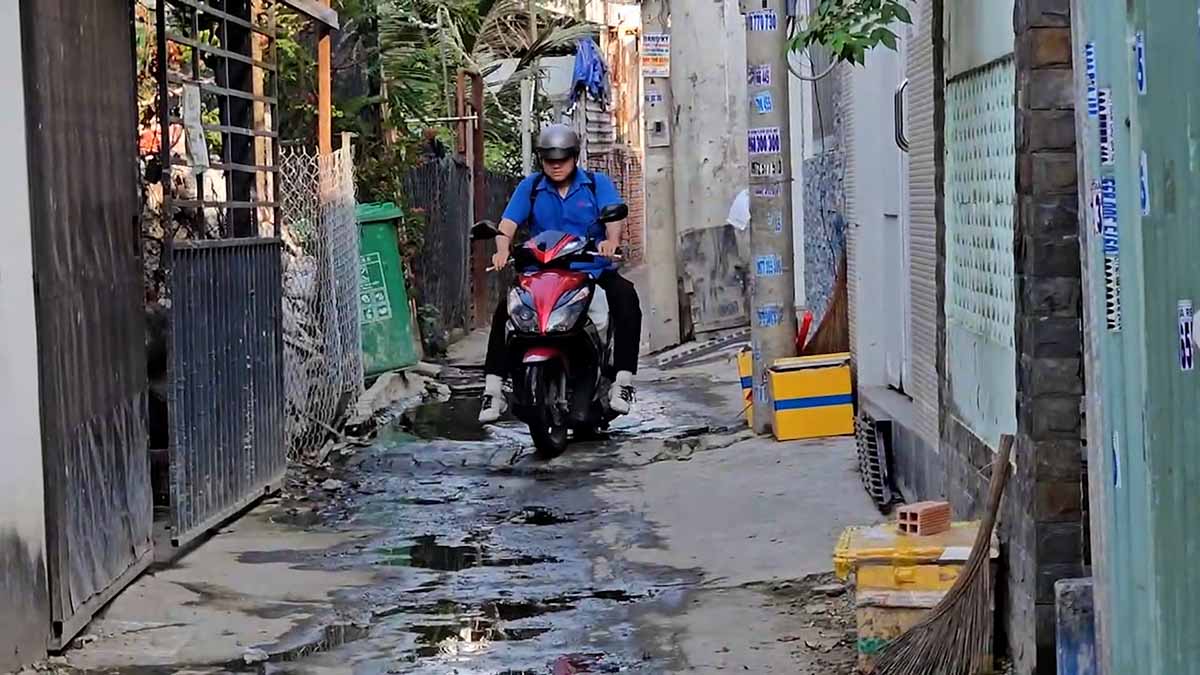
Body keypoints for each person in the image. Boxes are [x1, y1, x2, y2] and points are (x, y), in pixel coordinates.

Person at [478, 124, 643, 423]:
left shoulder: (595, 184)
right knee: (506, 310)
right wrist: (501, 249)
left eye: (562, 159)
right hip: (541, 273)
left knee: (626, 298)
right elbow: (508, 224)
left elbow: (613, 216)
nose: (556, 165)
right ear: (541, 159)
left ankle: (622, 381)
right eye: (549, 159)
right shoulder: (530, 187)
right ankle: (493, 389)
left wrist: (611, 242)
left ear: (574, 157)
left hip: (589, 268)